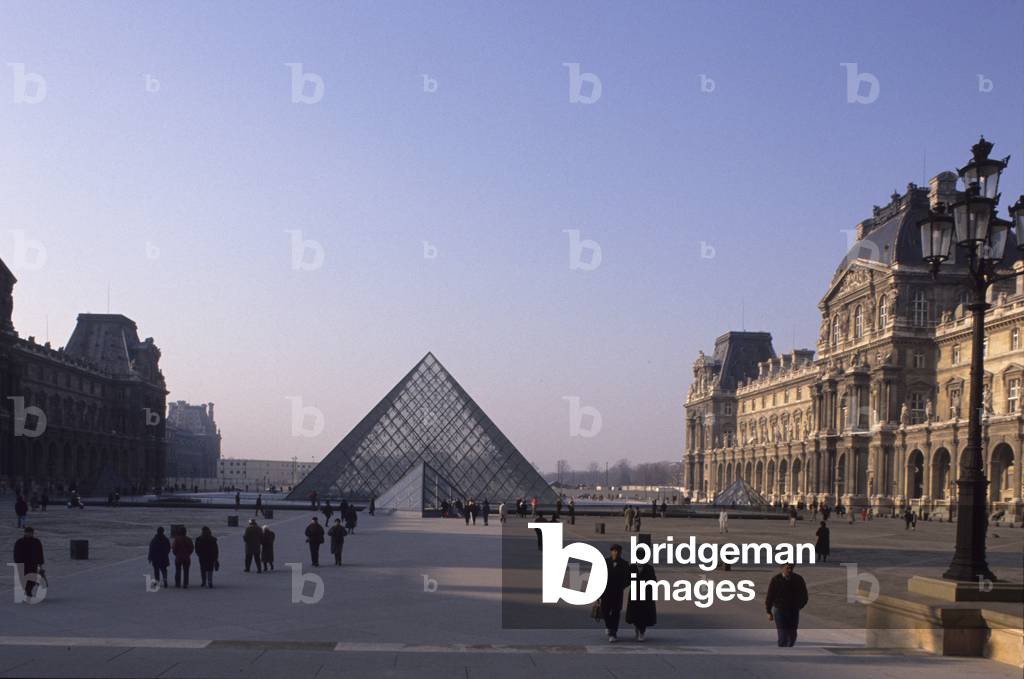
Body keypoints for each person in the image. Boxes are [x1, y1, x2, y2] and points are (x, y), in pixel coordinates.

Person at [765, 563, 809, 647]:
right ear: (782, 568)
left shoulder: (798, 579)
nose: (790, 570)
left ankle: (789, 646)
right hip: (779, 609)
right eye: (787, 568)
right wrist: (768, 611)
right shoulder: (776, 579)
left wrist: (799, 606)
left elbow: (804, 595)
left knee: (792, 634)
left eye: (791, 568)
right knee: (782, 632)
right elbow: (770, 596)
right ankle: (783, 649)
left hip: (793, 609)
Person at [626, 536, 657, 641]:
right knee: (635, 614)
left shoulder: (649, 568)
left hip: (645, 594)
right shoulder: (633, 567)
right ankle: (636, 628)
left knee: (643, 615)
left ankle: (641, 632)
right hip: (635, 593)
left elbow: (653, 582)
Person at [600, 544, 629, 642]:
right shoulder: (605, 562)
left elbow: (628, 579)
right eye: (613, 551)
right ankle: (608, 626)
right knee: (605, 612)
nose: (615, 553)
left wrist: (621, 586)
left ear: (620, 553)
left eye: (617, 551)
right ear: (611, 551)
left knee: (616, 613)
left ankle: (613, 633)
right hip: (605, 592)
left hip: (617, 592)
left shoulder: (624, 564)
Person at [13, 526, 45, 599]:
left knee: (32, 578)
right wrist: (17, 562)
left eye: (31, 533)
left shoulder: (36, 541)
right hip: (23, 563)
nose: (29, 534)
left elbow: (40, 552)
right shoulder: (19, 542)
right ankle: (27, 591)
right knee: (23, 578)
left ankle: (28, 591)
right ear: (25, 533)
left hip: (33, 563)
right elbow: (16, 553)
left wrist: (40, 563)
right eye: (28, 532)